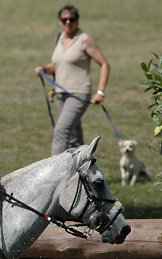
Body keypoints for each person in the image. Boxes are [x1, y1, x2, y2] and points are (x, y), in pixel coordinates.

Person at [35, 4, 110, 156]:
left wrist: (100, 92)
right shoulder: (60, 38)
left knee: (61, 131)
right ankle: (85, 174)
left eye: (72, 19)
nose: (68, 22)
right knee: (74, 139)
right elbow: (59, 65)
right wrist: (44, 69)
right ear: (60, 21)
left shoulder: (84, 39)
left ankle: (55, 175)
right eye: (64, 20)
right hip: (61, 94)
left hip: (79, 94)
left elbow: (104, 64)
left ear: (77, 20)